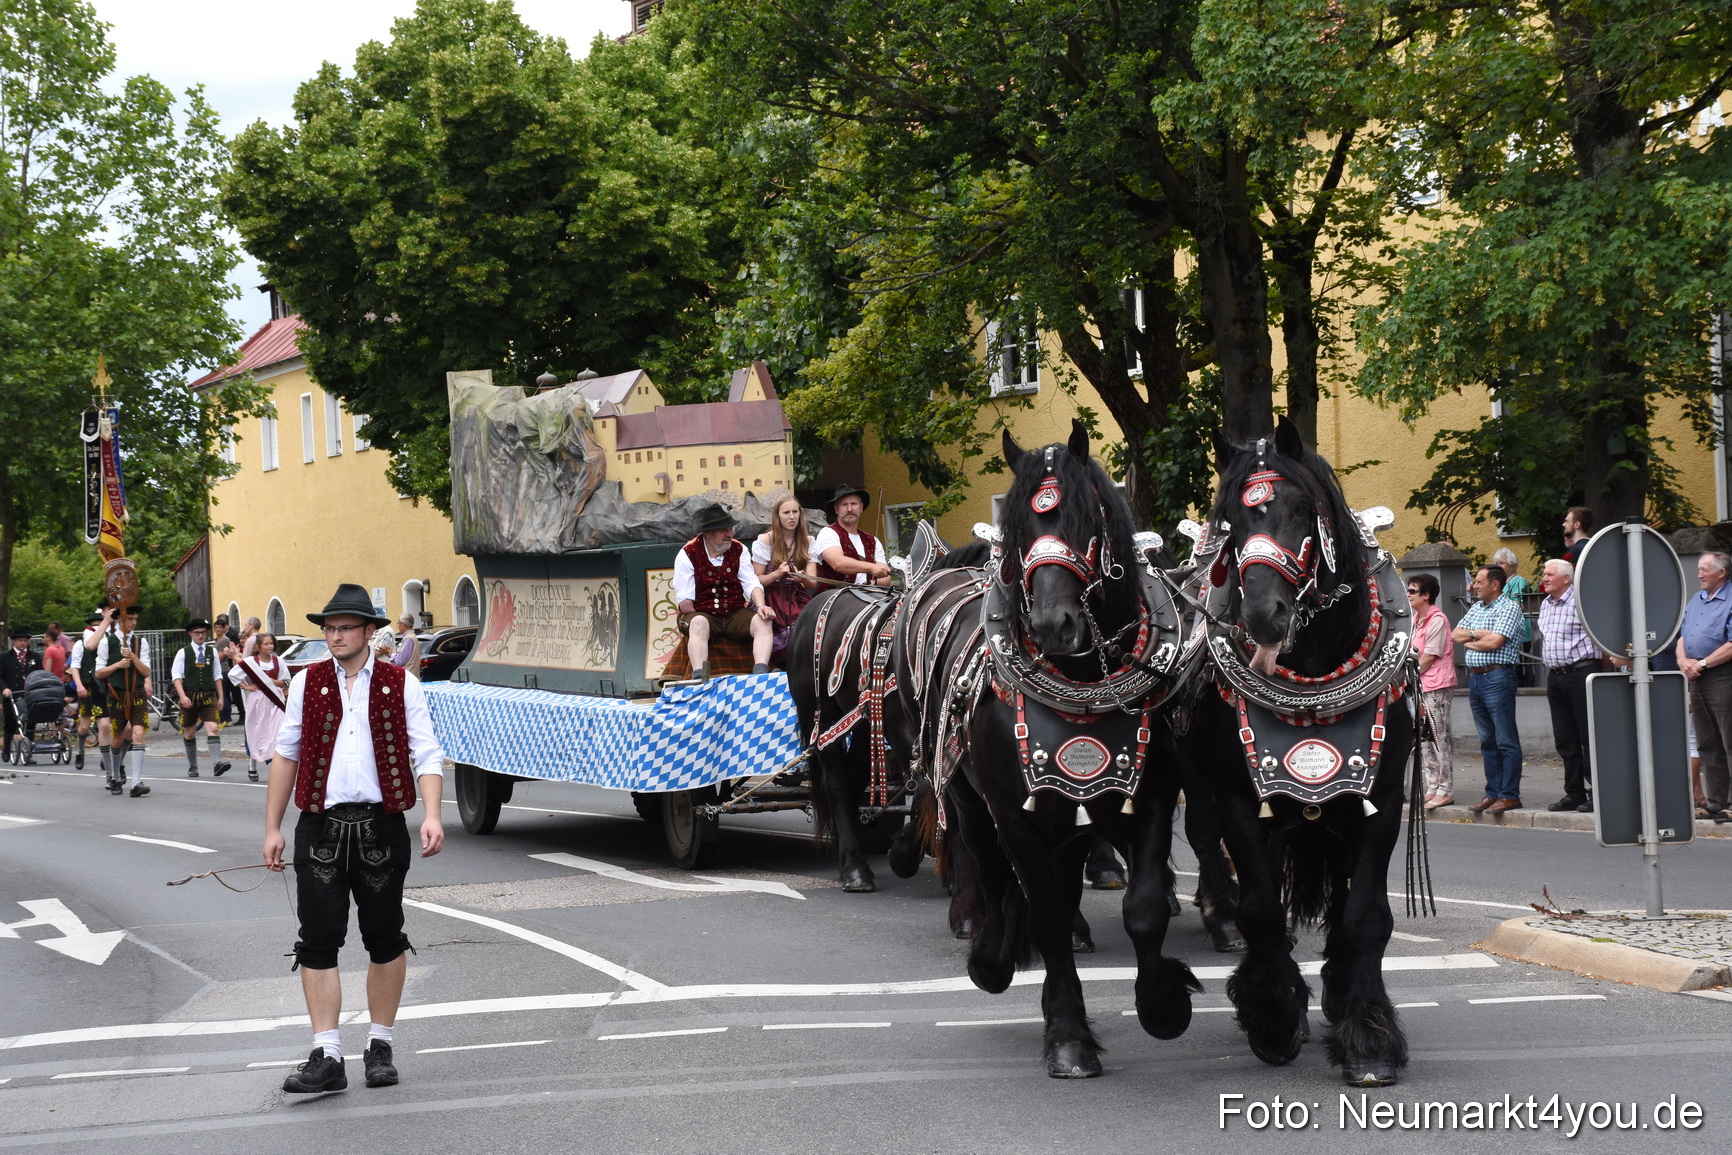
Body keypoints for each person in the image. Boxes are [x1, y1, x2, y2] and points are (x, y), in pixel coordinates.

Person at [262, 583, 446, 1094]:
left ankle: (380, 1045)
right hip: (320, 825)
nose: (335, 636)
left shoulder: (398, 683)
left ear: (369, 631)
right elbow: (287, 753)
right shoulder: (307, 681)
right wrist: (273, 826)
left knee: (385, 935)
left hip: (382, 825)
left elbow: (425, 753)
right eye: (329, 628)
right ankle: (327, 1055)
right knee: (318, 938)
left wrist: (432, 814)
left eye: (345, 628)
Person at [1452, 565, 1526, 814]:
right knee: (1487, 741)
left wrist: (1471, 642)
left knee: (1505, 739)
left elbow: (1495, 642)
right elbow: (1455, 635)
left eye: (1479, 581)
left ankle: (1509, 795)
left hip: (1498, 676)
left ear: (1495, 584)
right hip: (1476, 679)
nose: (1474, 585)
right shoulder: (1476, 608)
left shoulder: (1509, 607)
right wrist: (1475, 635)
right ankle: (1492, 793)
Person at [673, 503, 776, 678]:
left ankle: (760, 675)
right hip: (702, 613)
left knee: (763, 621)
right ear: (708, 533)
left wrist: (760, 606)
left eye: (730, 529)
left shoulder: (739, 549)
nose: (730, 534)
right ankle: (699, 677)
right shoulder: (688, 553)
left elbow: (751, 582)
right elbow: (686, 604)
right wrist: (704, 621)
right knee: (698, 623)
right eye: (723, 531)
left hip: (734, 614)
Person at [1537, 559, 1604, 814]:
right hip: (1556, 676)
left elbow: (1599, 635)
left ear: (1566, 578)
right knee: (1565, 739)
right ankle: (1573, 793)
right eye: (1544, 574)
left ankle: (1597, 792)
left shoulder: (1581, 601)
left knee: (1589, 738)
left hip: (1582, 673)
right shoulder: (1546, 604)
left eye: (1549, 574)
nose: (1544, 578)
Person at [1677, 551, 1732, 823]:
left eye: (1704, 569)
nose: (1698, 574)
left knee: (1729, 739)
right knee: (1707, 743)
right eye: (1698, 569)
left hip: (1723, 676)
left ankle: (1730, 803)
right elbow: (1683, 635)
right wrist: (1683, 661)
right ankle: (1716, 802)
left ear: (1721, 573)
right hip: (1696, 676)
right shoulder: (1697, 600)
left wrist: (1703, 664)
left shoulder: (1731, 598)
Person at [1407, 573, 1457, 809]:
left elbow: (1429, 656)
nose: (1408, 595)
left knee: (1438, 738)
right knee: (1424, 738)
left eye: (1413, 591)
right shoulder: (1416, 619)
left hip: (1436, 685)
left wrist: (1411, 675)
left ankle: (1446, 789)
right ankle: (1433, 786)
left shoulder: (1437, 619)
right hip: (1420, 685)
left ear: (1426, 595)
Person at [95, 606, 152, 797]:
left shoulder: (140, 642)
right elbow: (98, 672)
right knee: (118, 737)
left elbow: (146, 672)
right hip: (116, 694)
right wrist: (119, 664)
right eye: (130, 619)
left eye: (136, 619)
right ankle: (116, 777)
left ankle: (136, 782)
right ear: (120, 620)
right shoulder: (107, 642)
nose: (134, 622)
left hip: (137, 693)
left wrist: (133, 657)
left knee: (138, 734)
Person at [753, 493, 818, 655]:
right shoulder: (766, 540)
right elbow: (757, 580)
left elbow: (812, 583)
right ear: (777, 516)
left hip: (796, 596)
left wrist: (802, 578)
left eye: (795, 512)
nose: (791, 517)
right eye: (786, 513)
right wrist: (776, 574)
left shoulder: (808, 541)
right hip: (771, 597)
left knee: (813, 622)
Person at [172, 619, 231, 779]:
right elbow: (176, 676)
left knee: (213, 728)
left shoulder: (211, 652)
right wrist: (182, 696)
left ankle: (217, 762)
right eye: (197, 633)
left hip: (207, 695)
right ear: (191, 634)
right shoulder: (183, 652)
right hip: (189, 696)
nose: (200, 636)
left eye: (203, 633)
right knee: (189, 732)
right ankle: (193, 766)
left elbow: (217, 675)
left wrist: (221, 697)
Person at [228, 631, 289, 782]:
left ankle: (277, 766)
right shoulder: (251, 661)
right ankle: (252, 763)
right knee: (257, 732)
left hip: (275, 700)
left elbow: (285, 681)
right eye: (266, 644)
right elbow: (233, 675)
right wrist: (246, 686)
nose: (270, 646)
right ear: (259, 646)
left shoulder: (278, 661)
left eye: (271, 643)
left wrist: (271, 681)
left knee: (277, 731)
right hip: (258, 701)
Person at [812, 484, 891, 587]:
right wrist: (871, 567)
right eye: (844, 504)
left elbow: (886, 577)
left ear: (861, 507)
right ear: (836, 509)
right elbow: (837, 563)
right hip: (835, 597)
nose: (849, 509)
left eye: (853, 504)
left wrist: (869, 584)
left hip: (869, 596)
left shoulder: (873, 540)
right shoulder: (828, 533)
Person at [68, 608, 114, 775]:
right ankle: (80, 750)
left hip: (105, 686)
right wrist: (79, 686)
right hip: (87, 686)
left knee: (106, 725)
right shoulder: (81, 643)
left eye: (99, 624)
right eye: (94, 625)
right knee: (85, 725)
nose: (96, 627)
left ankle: (105, 756)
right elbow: (75, 666)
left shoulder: (109, 639)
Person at [1, 626, 43, 761]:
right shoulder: (4, 657)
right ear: (14, 641)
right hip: (11, 694)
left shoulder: (34, 656)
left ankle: (28, 752)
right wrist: (4, 688)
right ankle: (7, 748)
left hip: (30, 693)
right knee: (10, 723)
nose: (22, 643)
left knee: (30, 722)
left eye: (25, 640)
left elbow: (39, 673)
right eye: (20, 640)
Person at [390, 615, 421, 679]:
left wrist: (389, 653)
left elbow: (400, 661)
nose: (397, 626)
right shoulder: (411, 637)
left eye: (398, 624)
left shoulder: (408, 639)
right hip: (410, 676)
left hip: (407, 676)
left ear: (403, 624)